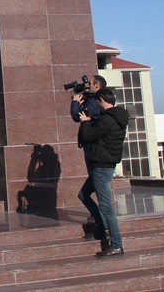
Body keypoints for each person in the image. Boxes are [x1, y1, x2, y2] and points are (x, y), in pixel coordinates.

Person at [79, 88, 130, 257]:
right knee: (83, 194)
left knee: (106, 205)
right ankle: (102, 228)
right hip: (106, 165)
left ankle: (116, 243)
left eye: (97, 102)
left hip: (101, 166)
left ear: (101, 100)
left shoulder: (107, 120)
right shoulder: (118, 118)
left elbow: (89, 136)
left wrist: (85, 122)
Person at [71, 75, 108, 240]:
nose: (88, 87)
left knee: (95, 192)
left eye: (91, 84)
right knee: (94, 192)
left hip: (94, 152)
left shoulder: (94, 102)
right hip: (94, 151)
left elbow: (76, 116)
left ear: (97, 85)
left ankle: (104, 226)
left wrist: (74, 102)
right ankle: (103, 225)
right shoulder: (94, 101)